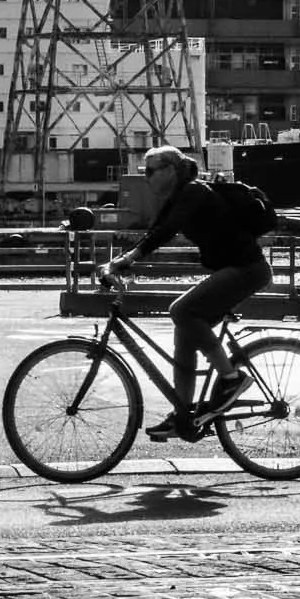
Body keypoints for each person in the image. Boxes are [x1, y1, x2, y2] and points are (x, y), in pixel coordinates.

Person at [101, 145, 270, 441]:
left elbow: (168, 231)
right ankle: (183, 415)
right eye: (145, 171)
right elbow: (156, 231)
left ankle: (232, 379)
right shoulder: (176, 196)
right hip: (230, 269)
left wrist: (129, 259)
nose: (146, 177)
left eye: (151, 171)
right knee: (184, 334)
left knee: (181, 310)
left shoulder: (194, 192)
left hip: (247, 269)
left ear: (170, 170)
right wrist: (124, 259)